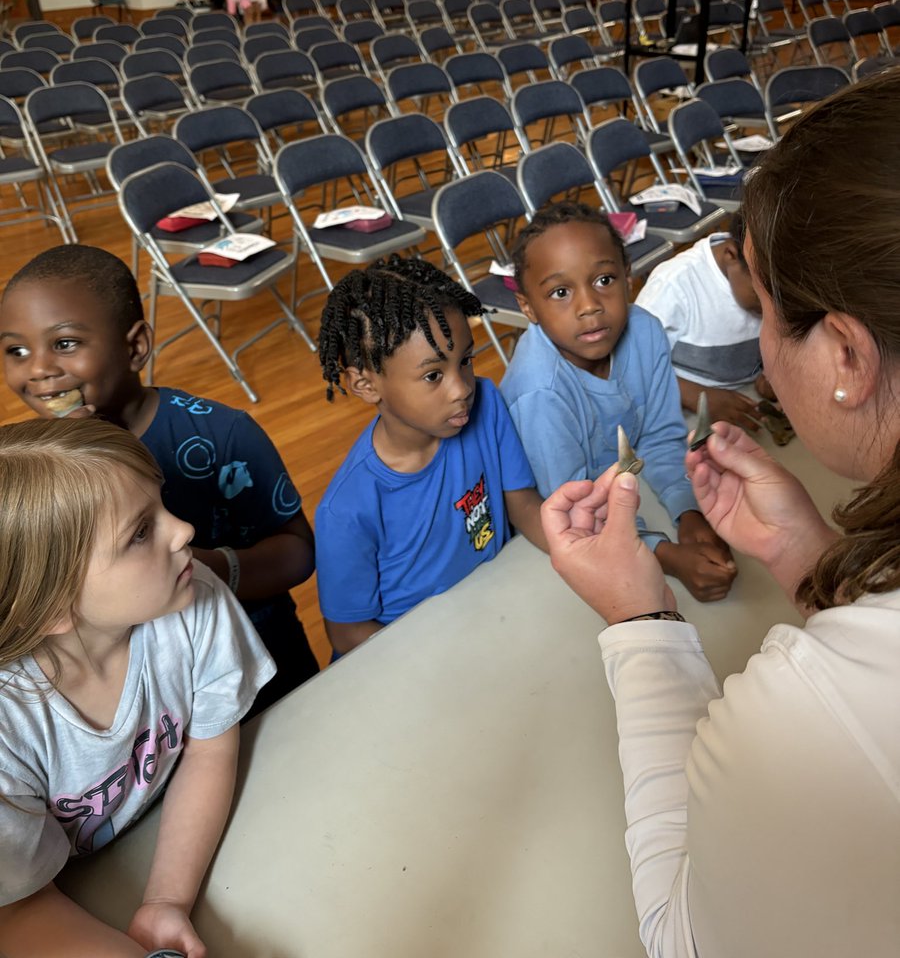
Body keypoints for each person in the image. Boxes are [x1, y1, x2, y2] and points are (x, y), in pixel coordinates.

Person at [542, 69, 900, 957]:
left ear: (847, 353)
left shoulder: (808, 719)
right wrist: (818, 562)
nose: (765, 368)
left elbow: (687, 932)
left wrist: (640, 620)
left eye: (772, 325)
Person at [0, 245, 318, 715]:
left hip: (258, 660)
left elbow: (297, 552)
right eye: (16, 350)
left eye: (64, 343)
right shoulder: (35, 465)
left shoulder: (221, 435)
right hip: (145, 703)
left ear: (135, 347)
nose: (38, 369)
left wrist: (208, 569)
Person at [0, 417, 274, 957]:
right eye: (141, 532)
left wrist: (166, 900)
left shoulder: (193, 596)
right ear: (54, 606)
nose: (184, 531)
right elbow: (18, 907)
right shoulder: (9, 725)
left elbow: (209, 749)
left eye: (161, 505)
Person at [500, 202, 736, 603]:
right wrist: (667, 556)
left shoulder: (644, 331)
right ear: (528, 308)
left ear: (629, 278)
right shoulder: (540, 391)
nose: (589, 305)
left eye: (605, 279)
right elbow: (576, 510)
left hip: (623, 491)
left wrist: (689, 512)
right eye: (560, 292)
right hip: (567, 529)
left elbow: (661, 435)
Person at [315, 254, 546, 656]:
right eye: (433, 375)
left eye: (466, 361)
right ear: (366, 385)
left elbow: (524, 506)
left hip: (499, 613)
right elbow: (349, 635)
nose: (462, 389)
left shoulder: (486, 405)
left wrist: (583, 554)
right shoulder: (345, 510)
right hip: (417, 656)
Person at [636, 211, 775, 429]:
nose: (771, 308)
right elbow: (631, 366)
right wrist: (698, 397)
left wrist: (774, 370)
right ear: (730, 254)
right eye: (760, 296)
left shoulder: (772, 274)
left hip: (748, 391)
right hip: (682, 402)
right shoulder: (673, 285)